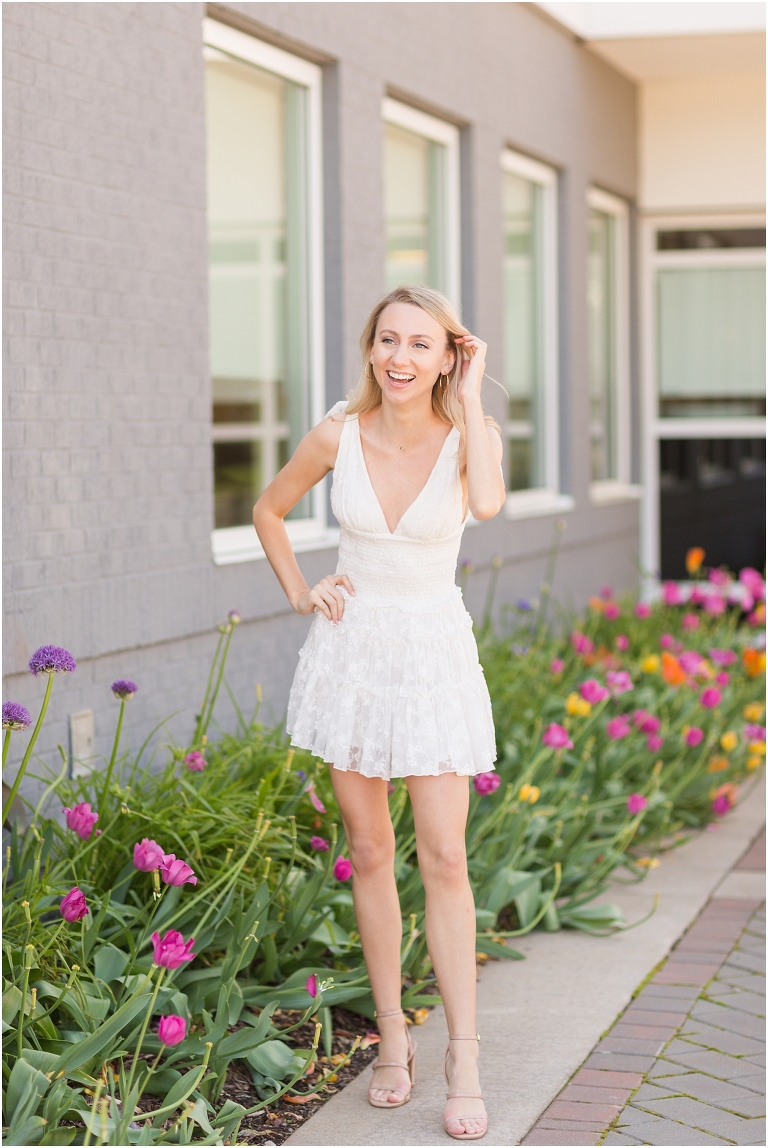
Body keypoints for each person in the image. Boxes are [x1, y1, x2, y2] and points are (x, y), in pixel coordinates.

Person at [253, 285, 506, 1140]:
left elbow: (491, 504)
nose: (400, 358)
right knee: (367, 851)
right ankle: (392, 1041)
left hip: (432, 660)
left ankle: (462, 1055)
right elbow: (268, 509)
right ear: (371, 350)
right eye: (387, 340)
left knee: (443, 856)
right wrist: (301, 590)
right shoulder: (338, 433)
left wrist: (471, 403)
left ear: (448, 355)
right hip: (351, 658)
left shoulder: (471, 435)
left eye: (420, 345)